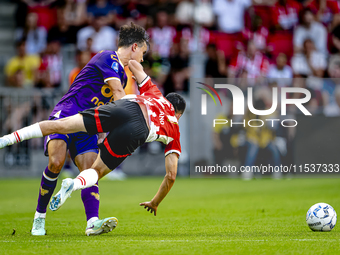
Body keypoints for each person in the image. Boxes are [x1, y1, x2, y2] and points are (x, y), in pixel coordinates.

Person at [0, 59, 185, 223]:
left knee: (62, 124)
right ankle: (73, 184)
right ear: (178, 114)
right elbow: (171, 176)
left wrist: (134, 63)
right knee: (95, 171)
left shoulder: (155, 93)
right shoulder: (174, 128)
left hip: (126, 107)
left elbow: (135, 65)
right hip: (138, 130)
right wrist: (155, 202)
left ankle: (8, 138)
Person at [9, 22, 148, 236]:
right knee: (56, 162)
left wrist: (104, 131)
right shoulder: (107, 58)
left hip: (87, 125)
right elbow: (118, 94)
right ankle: (39, 217)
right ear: (135, 47)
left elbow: (107, 106)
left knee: (90, 169)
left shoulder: (121, 74)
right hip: (67, 113)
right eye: (143, 52)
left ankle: (92, 222)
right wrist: (133, 120)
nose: (142, 59)